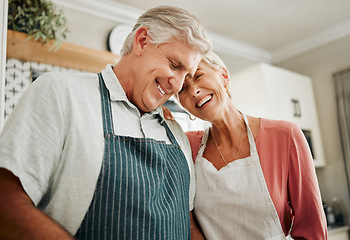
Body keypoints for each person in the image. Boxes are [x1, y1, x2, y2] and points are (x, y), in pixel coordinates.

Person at [0, 6, 211, 239]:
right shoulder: (61, 93)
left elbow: (187, 221)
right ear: (141, 41)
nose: (178, 85)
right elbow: (6, 201)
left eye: (186, 75)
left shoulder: (176, 133)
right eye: (174, 65)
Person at [173, 51, 328, 239]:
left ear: (224, 76)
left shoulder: (285, 135)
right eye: (182, 88)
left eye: (198, 75)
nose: (194, 91)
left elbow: (312, 230)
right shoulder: (186, 145)